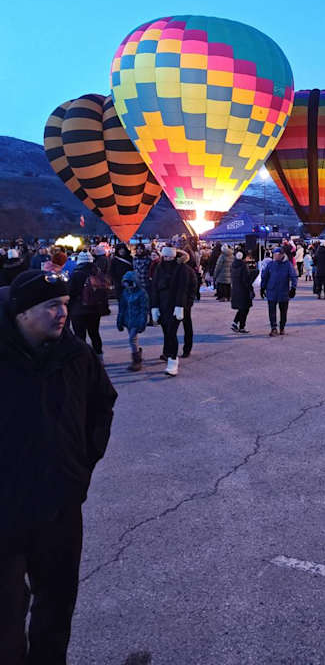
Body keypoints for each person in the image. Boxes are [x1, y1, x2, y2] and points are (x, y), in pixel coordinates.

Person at [0, 269, 116, 664]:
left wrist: (79, 466)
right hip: (5, 510)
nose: (62, 313)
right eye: (51, 306)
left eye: (65, 304)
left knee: (56, 606)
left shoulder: (76, 356)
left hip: (59, 506)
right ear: (22, 313)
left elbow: (101, 408)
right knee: (6, 617)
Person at [150, 246, 189, 376]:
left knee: (172, 333)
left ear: (174, 257)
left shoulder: (181, 268)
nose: (168, 259)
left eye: (170, 257)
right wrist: (154, 307)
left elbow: (182, 289)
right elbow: (154, 288)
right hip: (162, 305)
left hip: (174, 305)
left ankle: (173, 362)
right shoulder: (159, 268)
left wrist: (180, 306)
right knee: (167, 332)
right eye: (165, 257)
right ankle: (168, 354)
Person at [68, 250, 110, 364]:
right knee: (94, 333)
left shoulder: (76, 274)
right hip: (95, 309)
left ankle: (83, 360)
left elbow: (71, 292)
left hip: (78, 310)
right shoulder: (97, 272)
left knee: (80, 336)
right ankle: (99, 356)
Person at [117, 270, 149, 371]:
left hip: (136, 319)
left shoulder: (141, 293)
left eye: (129, 283)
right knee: (133, 340)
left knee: (132, 339)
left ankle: (136, 360)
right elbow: (122, 307)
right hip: (127, 319)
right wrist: (120, 320)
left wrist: (142, 322)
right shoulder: (125, 292)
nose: (127, 286)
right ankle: (137, 353)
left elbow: (144, 309)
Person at [261, 247, 298, 336]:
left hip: (283, 292)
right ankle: (273, 328)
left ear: (282, 255)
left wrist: (293, 288)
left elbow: (293, 276)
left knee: (283, 311)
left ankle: (282, 327)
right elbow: (265, 276)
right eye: (274, 254)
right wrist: (262, 287)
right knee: (272, 311)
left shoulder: (288, 265)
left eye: (277, 255)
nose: (275, 256)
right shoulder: (270, 264)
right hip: (271, 291)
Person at [178, 249, 199, 358]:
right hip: (177, 302)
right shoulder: (172, 269)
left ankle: (187, 348)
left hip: (185, 302)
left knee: (186, 325)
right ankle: (173, 350)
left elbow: (193, 286)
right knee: (177, 327)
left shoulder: (187, 270)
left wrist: (189, 301)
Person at [231, 249, 258, 333]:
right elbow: (246, 280)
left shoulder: (233, 265)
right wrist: (251, 289)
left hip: (235, 289)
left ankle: (235, 323)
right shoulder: (243, 266)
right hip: (243, 290)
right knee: (245, 308)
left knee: (242, 308)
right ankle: (241, 326)